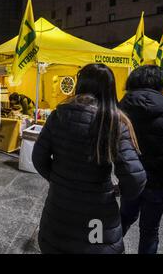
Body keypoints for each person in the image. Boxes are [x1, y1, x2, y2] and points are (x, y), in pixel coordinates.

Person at [32, 64, 146, 254]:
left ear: (80, 84)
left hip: (59, 211)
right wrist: (116, 191)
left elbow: (38, 157)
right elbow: (135, 178)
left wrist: (59, 179)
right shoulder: (115, 122)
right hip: (98, 217)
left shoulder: (59, 114)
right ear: (110, 88)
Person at [119, 65, 163, 254]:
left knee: (121, 220)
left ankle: (101, 249)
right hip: (159, 184)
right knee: (150, 231)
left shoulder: (120, 110)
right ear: (162, 83)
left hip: (129, 179)